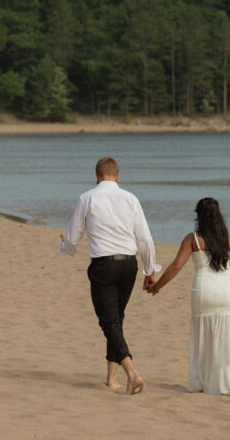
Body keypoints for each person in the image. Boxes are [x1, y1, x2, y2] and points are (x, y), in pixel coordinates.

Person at [145, 197, 230, 398]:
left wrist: (157, 287)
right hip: (228, 289)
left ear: (198, 216)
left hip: (204, 290)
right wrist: (226, 287)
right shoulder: (228, 238)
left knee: (206, 336)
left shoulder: (192, 239)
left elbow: (176, 266)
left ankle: (206, 383)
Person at [59, 157, 161, 394]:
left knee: (108, 321)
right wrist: (150, 270)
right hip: (129, 265)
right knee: (116, 319)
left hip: (103, 265)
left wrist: (66, 246)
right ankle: (112, 379)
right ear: (117, 176)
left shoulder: (87, 198)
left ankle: (132, 372)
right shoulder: (131, 198)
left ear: (96, 176)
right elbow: (145, 239)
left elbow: (73, 238)